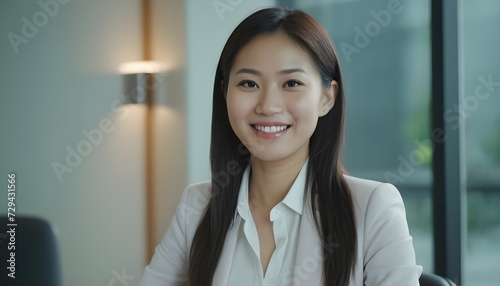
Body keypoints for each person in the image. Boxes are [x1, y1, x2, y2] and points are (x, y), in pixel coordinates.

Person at [139, 7, 422, 286]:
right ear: (225, 93)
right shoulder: (198, 205)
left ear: (326, 98)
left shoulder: (372, 208)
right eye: (249, 83)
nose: (268, 106)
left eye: (291, 83)